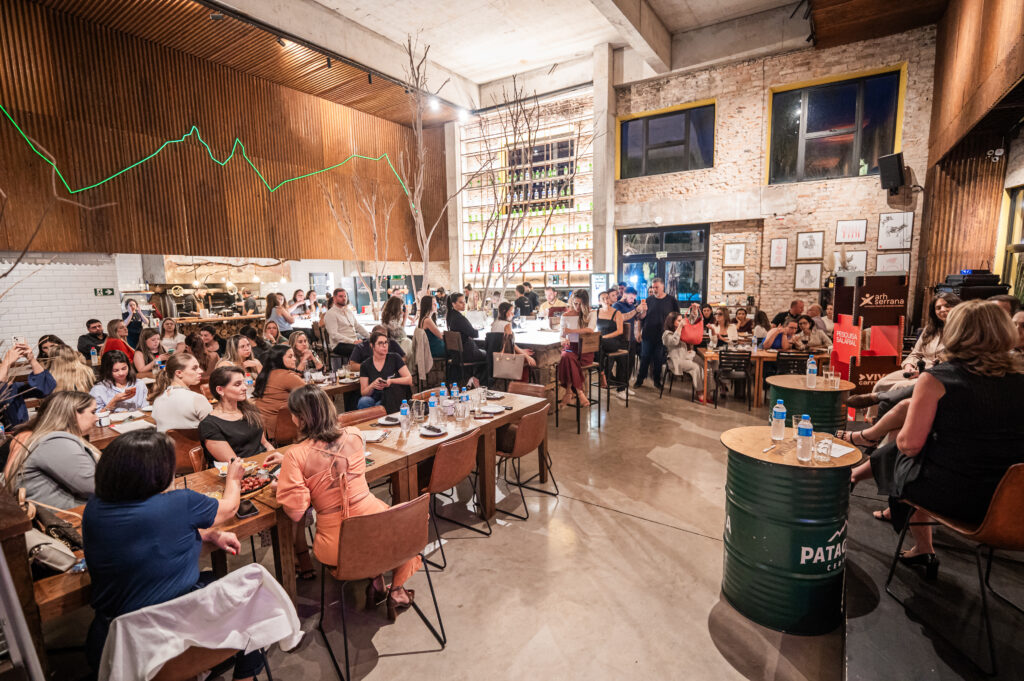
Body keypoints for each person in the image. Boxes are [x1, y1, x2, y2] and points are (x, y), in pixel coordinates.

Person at [81, 430, 262, 679]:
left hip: (112, 644)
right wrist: (233, 479)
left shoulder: (94, 510)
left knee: (211, 579)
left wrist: (206, 534)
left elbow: (150, 533)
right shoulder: (180, 502)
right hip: (173, 638)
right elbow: (230, 508)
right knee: (253, 602)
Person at [873, 300, 1024, 574]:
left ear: (956, 332)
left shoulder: (937, 379)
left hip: (961, 498)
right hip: (1015, 506)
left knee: (898, 455)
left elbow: (909, 445)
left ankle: (922, 546)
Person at [276, 386, 421, 618]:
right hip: (379, 524)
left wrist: (284, 482)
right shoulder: (354, 435)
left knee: (364, 542)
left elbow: (295, 513)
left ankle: (378, 580)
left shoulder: (295, 455)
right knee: (403, 530)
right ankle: (396, 590)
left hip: (339, 545)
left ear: (300, 418)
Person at [3, 390, 100, 509]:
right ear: (74, 414)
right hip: (67, 516)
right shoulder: (56, 442)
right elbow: (95, 486)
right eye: (93, 412)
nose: (97, 418)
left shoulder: (50, 438)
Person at [199, 366, 280, 464]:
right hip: (240, 470)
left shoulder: (250, 410)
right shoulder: (209, 425)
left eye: (243, 382)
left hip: (264, 464)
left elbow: (265, 444)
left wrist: (276, 461)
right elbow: (235, 463)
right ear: (220, 390)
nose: (245, 387)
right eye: (237, 384)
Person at [252, 346, 306, 441]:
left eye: (293, 356)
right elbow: (314, 394)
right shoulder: (287, 376)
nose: (294, 359)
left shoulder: (266, 373)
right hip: (280, 429)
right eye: (290, 356)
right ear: (279, 359)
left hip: (262, 428)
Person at [634, 278, 679, 390]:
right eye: (653, 287)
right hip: (648, 334)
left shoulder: (671, 300)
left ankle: (657, 381)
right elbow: (640, 318)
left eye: (656, 287)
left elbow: (677, 317)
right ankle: (640, 380)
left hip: (663, 335)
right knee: (644, 358)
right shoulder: (648, 300)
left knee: (658, 359)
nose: (654, 289)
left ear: (663, 287)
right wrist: (639, 331)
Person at [557, 289, 598, 408]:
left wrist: (571, 331)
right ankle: (579, 392)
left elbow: (590, 329)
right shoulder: (565, 315)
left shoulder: (592, 313)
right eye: (575, 303)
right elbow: (561, 335)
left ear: (586, 303)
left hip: (585, 349)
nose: (577, 307)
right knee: (566, 356)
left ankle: (569, 391)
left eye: (580, 304)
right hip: (571, 347)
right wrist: (563, 339)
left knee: (567, 359)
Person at [150, 353, 212, 432]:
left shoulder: (158, 398)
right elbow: (214, 428)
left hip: (164, 440)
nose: (201, 371)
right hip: (194, 440)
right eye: (194, 368)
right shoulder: (197, 399)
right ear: (179, 373)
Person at [0, 343, 56, 430]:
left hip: (20, 432)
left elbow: (45, 389)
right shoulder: (4, 389)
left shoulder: (13, 388)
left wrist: (31, 359)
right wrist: (6, 362)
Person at [357, 330, 413, 412]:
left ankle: (376, 418)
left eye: (386, 342)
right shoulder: (365, 365)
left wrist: (391, 381)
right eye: (380, 343)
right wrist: (372, 386)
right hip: (375, 395)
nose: (384, 346)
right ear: (372, 345)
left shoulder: (395, 358)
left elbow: (409, 380)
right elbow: (363, 392)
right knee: (363, 401)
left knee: (379, 406)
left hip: (393, 394)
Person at [662, 309, 705, 402]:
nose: (681, 322)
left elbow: (689, 322)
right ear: (672, 322)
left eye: (681, 320)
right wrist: (680, 326)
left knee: (704, 364)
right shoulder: (666, 334)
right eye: (678, 320)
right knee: (696, 367)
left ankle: (706, 390)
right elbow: (674, 341)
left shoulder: (681, 330)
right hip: (676, 361)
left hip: (684, 356)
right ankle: (699, 392)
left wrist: (694, 312)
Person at [445, 292, 486, 386]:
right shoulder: (459, 318)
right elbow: (474, 334)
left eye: (464, 301)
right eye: (461, 302)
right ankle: (476, 380)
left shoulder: (450, 316)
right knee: (489, 355)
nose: (464, 304)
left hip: (457, 355)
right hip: (467, 353)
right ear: (453, 304)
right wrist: (475, 329)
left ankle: (472, 378)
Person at [491, 302, 537, 381]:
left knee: (524, 354)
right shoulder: (507, 325)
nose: (513, 314)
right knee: (529, 360)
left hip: (495, 357)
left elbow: (507, 343)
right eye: (512, 312)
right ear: (507, 313)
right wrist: (526, 356)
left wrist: (522, 351)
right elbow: (511, 344)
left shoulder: (494, 323)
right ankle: (521, 385)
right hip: (507, 357)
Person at [595, 291, 629, 399]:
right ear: (599, 301)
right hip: (601, 342)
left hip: (614, 341)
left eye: (607, 298)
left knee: (599, 345)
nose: (606, 300)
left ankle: (602, 374)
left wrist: (605, 337)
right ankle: (603, 374)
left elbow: (620, 331)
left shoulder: (616, 313)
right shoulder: (596, 312)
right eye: (603, 298)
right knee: (597, 347)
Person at [323, 288, 369, 362]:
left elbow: (358, 326)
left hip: (353, 341)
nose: (344, 298)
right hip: (339, 345)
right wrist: (353, 342)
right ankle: (361, 368)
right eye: (341, 296)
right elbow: (334, 335)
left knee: (373, 346)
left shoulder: (348, 311)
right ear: (334, 298)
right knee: (363, 350)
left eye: (345, 296)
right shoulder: (330, 314)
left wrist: (370, 336)